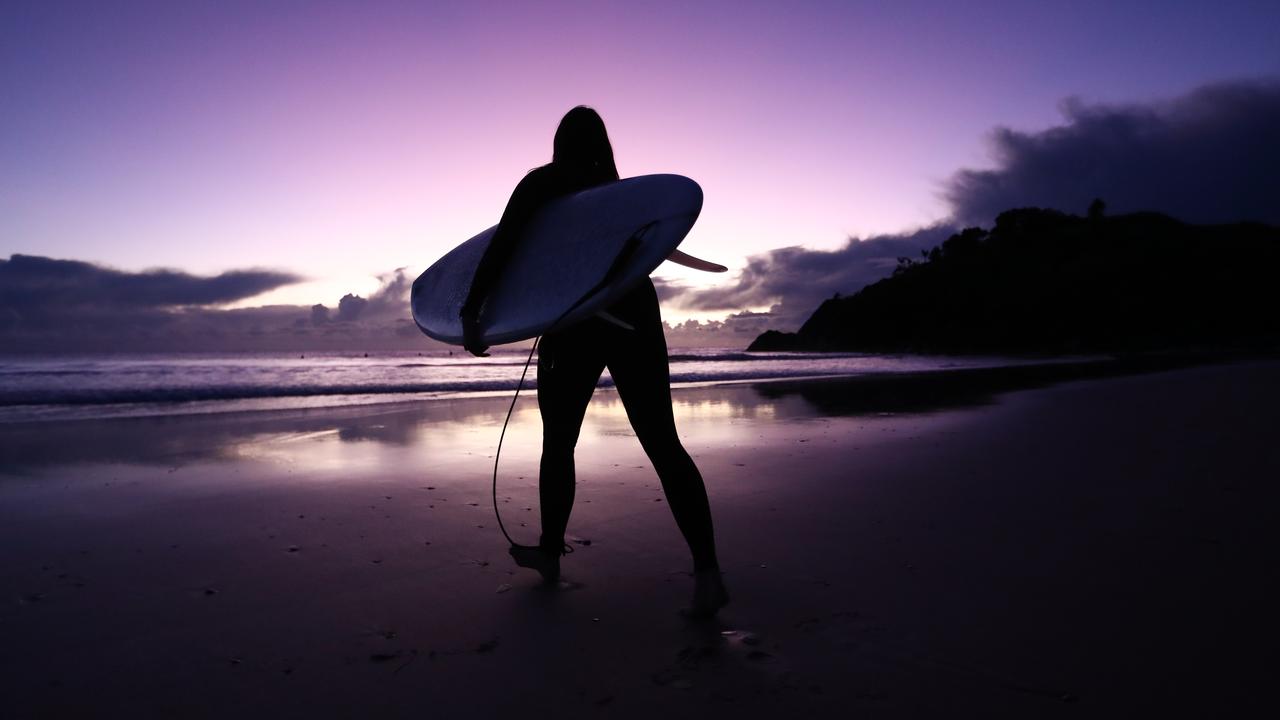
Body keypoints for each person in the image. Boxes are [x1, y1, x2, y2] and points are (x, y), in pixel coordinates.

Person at [460, 106, 729, 617]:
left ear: (558, 144)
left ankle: (550, 553)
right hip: (634, 315)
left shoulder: (543, 184)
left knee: (558, 446)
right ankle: (708, 573)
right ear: (605, 147)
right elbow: (648, 252)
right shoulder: (619, 196)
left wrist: (474, 314)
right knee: (664, 444)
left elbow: (505, 246)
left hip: (576, 324)